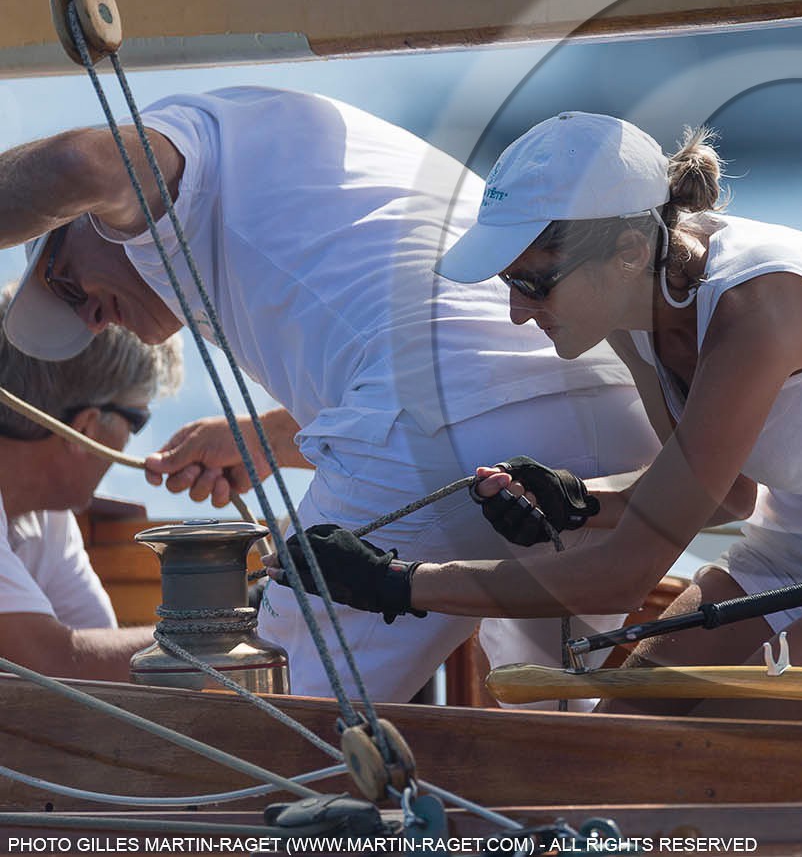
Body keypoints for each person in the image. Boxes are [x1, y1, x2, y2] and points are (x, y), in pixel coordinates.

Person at [275, 112, 802, 722]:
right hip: (800, 549)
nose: (514, 312)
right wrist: (582, 498)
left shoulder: (755, 315)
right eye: (509, 281)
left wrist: (400, 583)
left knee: (710, 765)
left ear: (630, 248)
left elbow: (628, 569)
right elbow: (730, 496)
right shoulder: (636, 301)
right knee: (615, 739)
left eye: (533, 283)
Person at [0, 87, 659, 702]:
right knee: (544, 705)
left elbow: (76, 162)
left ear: (95, 219)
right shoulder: (277, 153)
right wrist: (269, 437)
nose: (88, 317)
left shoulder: (170, 162)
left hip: (444, 415)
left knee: (263, 713)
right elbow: (440, 331)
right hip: (605, 397)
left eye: (66, 283)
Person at [0, 283, 182, 681]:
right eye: (138, 420)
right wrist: (231, 633)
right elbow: (50, 664)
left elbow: (97, 648)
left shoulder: (47, 514)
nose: (135, 439)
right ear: (84, 427)